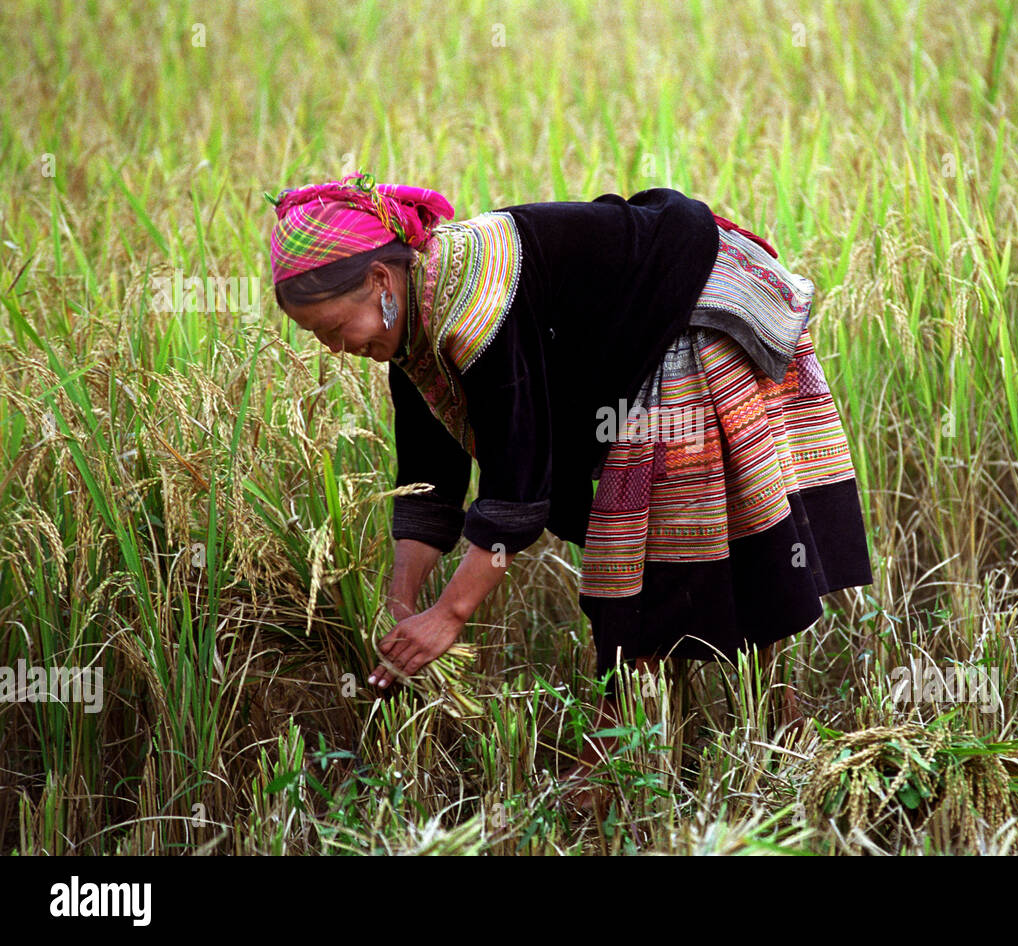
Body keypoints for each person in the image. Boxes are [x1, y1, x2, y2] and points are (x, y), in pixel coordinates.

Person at [266, 171, 872, 811]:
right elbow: (430, 475)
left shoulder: (475, 304)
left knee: (646, 543)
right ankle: (659, 737)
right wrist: (401, 600)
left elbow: (519, 485)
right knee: (638, 547)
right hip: (639, 334)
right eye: (318, 339)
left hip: (692, 300)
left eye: (335, 327)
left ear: (382, 283)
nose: (337, 348)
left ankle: (686, 739)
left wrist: (448, 614)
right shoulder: (415, 324)